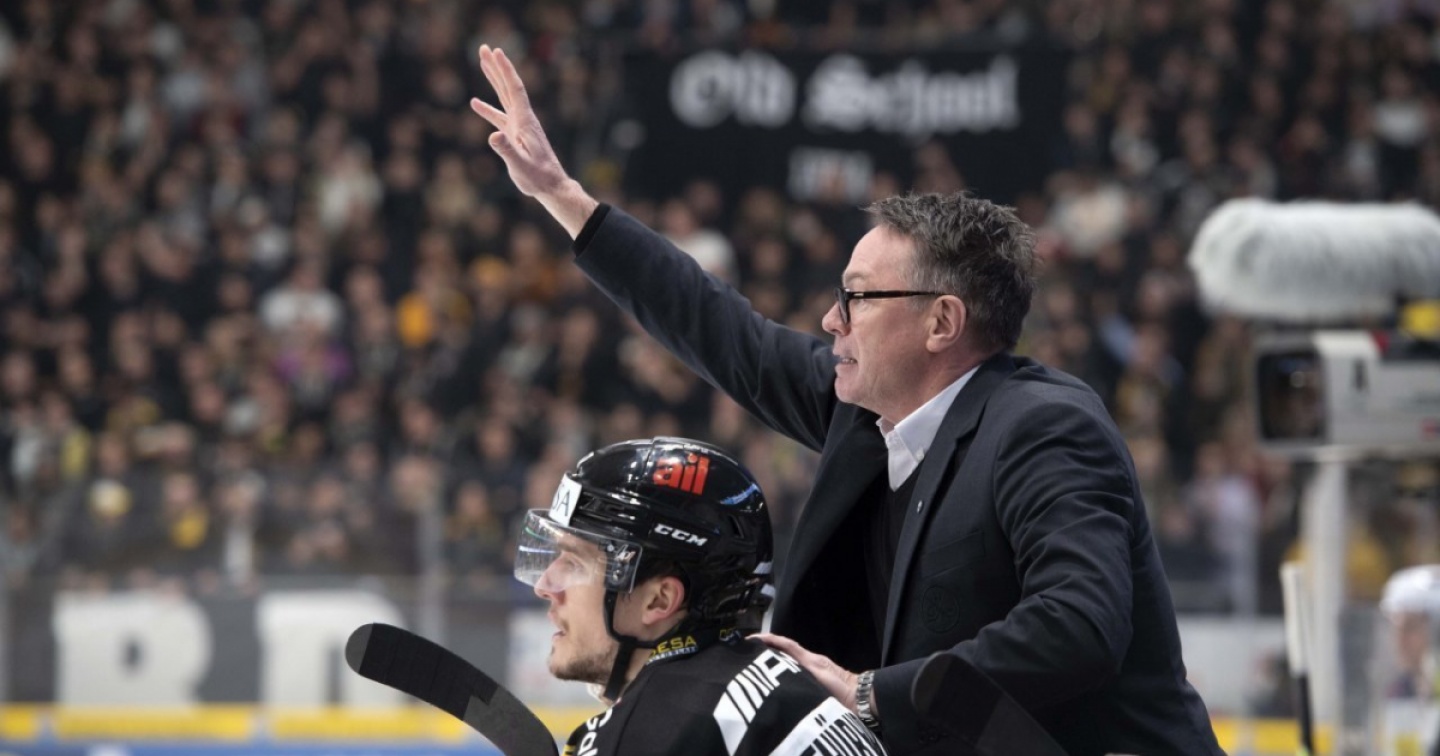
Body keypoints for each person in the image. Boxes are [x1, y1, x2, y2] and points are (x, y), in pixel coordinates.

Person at [472, 45, 1222, 755]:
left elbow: (1077, 627)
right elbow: (719, 327)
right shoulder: (864, 414)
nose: (832, 320)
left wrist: (871, 694)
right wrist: (562, 196)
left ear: (942, 323)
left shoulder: (1044, 427)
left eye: (857, 298)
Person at [517, 436, 887, 755]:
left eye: (575, 563)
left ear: (660, 600)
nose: (545, 586)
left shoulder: (656, 727)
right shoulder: (780, 683)